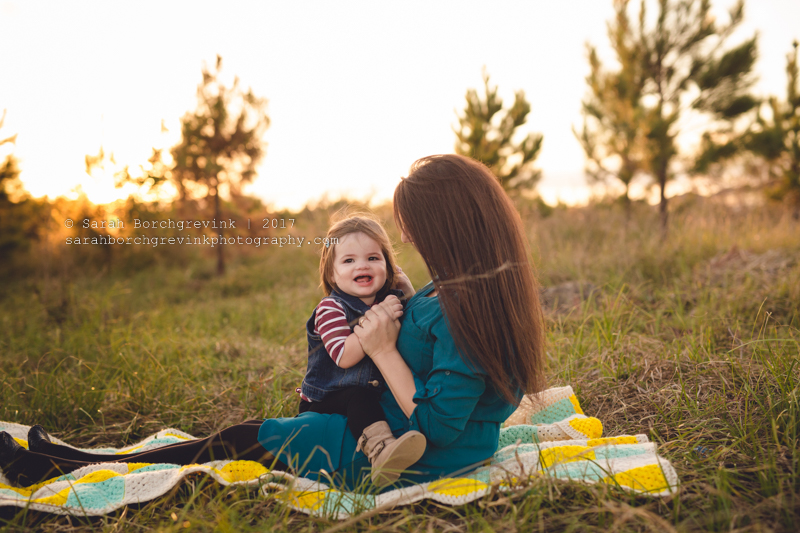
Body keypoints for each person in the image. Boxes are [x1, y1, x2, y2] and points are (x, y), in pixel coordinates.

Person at [0, 154, 546, 490]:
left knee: (234, 442)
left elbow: (437, 427)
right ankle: (72, 459)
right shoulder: (479, 293)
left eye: (414, 228)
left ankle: (53, 470)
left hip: (403, 456)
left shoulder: (460, 311)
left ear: (449, 227)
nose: (407, 241)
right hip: (412, 435)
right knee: (231, 438)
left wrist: (380, 350)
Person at [296, 215, 426, 487]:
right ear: (332, 273)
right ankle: (381, 452)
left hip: (371, 393)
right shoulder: (330, 309)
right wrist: (379, 315)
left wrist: (407, 291)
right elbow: (344, 356)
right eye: (349, 260)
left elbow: (414, 329)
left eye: (373, 258)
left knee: (372, 398)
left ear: (389, 267)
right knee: (358, 397)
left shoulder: (387, 300)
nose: (362, 265)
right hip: (326, 400)